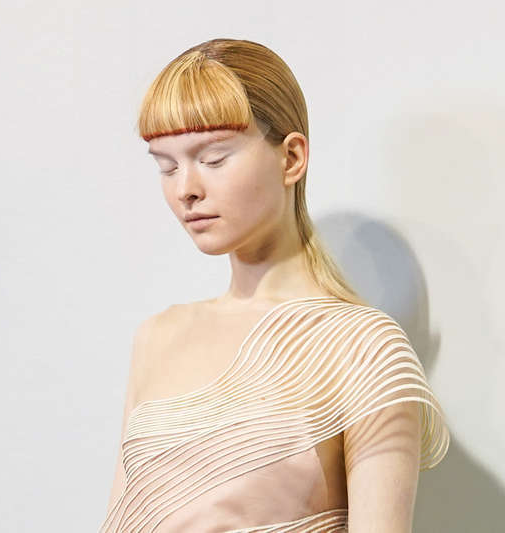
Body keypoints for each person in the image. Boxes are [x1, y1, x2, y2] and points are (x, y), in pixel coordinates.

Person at [97, 39, 450, 533]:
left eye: (214, 158)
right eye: (167, 165)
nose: (185, 189)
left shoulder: (364, 347)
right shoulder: (157, 337)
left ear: (291, 158)